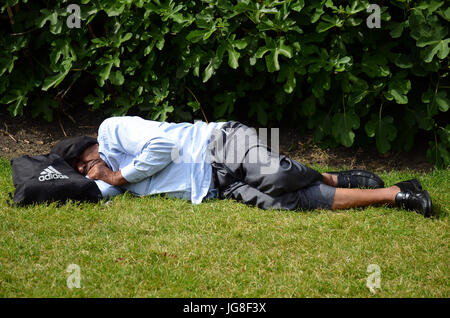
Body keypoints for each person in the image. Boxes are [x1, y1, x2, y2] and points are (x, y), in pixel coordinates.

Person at [50, 116, 433, 217]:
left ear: (88, 146)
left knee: (279, 174)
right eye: (79, 170)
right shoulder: (103, 176)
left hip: (218, 144)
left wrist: (116, 174)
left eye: (83, 163)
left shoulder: (113, 132)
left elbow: (165, 146)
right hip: (216, 186)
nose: (87, 171)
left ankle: (334, 175)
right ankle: (397, 194)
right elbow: (91, 192)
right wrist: (82, 182)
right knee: (292, 201)